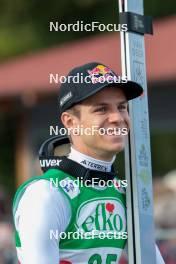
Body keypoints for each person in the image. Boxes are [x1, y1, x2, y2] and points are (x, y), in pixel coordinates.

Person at [12, 62, 165, 264]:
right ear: (70, 122)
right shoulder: (46, 194)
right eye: (101, 109)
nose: (117, 118)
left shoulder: (123, 193)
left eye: (122, 107)